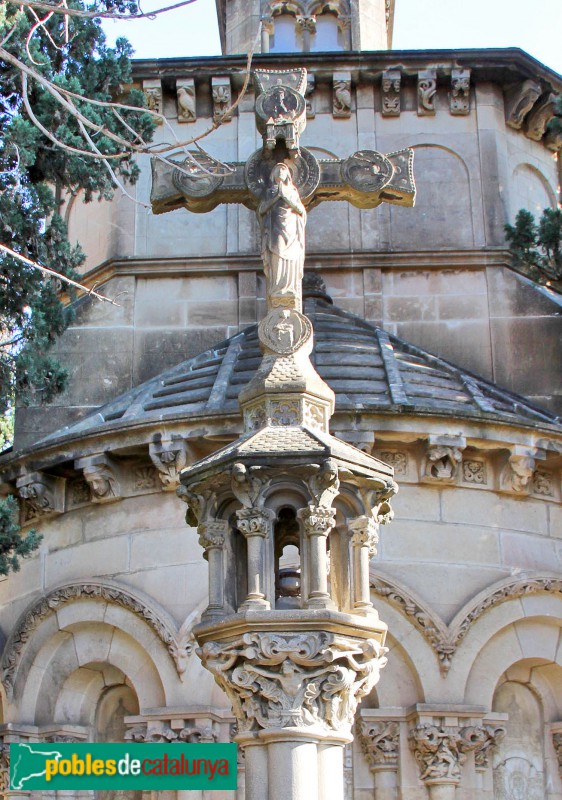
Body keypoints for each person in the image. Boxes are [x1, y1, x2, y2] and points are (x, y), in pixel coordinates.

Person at [257, 163, 306, 304]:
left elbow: (300, 210)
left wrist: (284, 196)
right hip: (275, 229)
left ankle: (289, 288)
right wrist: (276, 197)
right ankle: (277, 287)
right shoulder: (270, 191)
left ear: (288, 175)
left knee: (291, 259)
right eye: (277, 170)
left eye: (283, 170)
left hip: (291, 229)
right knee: (277, 254)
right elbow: (261, 210)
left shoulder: (292, 191)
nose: (280, 172)